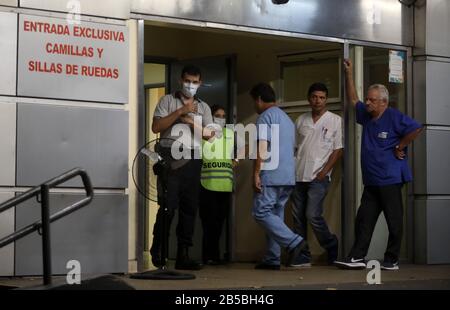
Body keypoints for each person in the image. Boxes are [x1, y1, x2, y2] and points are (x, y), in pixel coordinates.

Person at [334, 59, 422, 271]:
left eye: (373, 100)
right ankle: (357, 257)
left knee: (394, 220)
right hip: (372, 180)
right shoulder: (367, 114)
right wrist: (348, 73)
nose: (368, 103)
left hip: (390, 179)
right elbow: (353, 99)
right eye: (368, 99)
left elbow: (416, 128)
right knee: (364, 219)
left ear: (384, 102)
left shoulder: (393, 117)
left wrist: (401, 145)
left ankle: (391, 260)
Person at [150, 64, 213, 270]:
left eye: (195, 82)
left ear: (200, 83)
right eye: (187, 81)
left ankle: (183, 254)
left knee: (189, 207)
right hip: (171, 156)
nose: (191, 85)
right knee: (168, 207)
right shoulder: (167, 100)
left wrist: (191, 121)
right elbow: (156, 127)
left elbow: (210, 135)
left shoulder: (203, 107)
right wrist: (181, 111)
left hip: (193, 158)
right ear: (180, 80)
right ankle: (158, 249)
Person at [250, 82, 306, 270]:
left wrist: (256, 173)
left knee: (261, 212)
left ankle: (295, 242)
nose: (254, 106)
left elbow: (262, 148)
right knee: (275, 215)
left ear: (258, 99)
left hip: (271, 174)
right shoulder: (287, 119)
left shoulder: (265, 117)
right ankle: (273, 258)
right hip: (288, 175)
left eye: (254, 102)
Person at [290, 82, 343, 267]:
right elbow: (295, 148)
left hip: (318, 178)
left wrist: (324, 171)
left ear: (326, 100)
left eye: (321, 97)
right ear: (309, 99)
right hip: (298, 176)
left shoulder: (335, 120)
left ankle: (331, 244)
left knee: (312, 215)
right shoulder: (301, 120)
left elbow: (338, 150)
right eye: (314, 97)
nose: (317, 100)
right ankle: (302, 255)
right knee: (298, 219)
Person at [199, 104, 237, 265]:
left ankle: (215, 256)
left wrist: (235, 161)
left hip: (225, 185)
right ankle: (207, 256)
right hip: (207, 184)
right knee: (208, 223)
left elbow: (234, 154)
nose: (220, 118)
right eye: (217, 115)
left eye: (223, 116)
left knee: (219, 223)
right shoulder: (203, 134)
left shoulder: (230, 134)